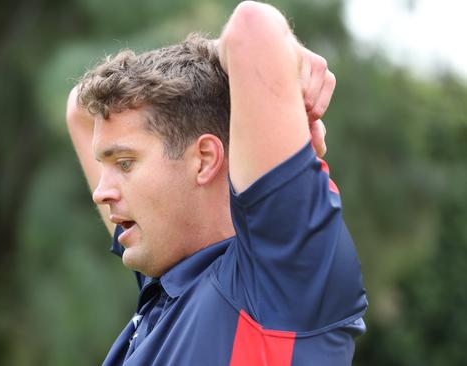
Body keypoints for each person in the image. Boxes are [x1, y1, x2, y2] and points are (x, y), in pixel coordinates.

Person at [65, 2, 367, 365]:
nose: (102, 190)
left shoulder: (279, 279)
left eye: (125, 163)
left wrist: (282, 68)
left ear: (205, 159)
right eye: (106, 164)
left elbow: (252, 29)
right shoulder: (169, 280)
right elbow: (80, 109)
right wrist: (215, 73)